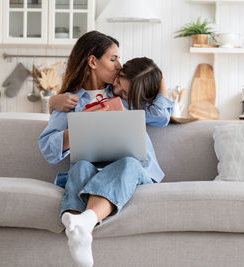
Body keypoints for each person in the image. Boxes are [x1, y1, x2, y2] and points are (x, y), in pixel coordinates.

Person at [39, 31, 174, 267]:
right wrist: (79, 124)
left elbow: (161, 116)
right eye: (113, 59)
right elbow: (48, 148)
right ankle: (79, 229)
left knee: (130, 162)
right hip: (91, 170)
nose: (120, 65)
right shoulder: (70, 102)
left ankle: (84, 221)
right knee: (80, 166)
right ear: (93, 62)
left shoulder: (124, 94)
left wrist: (160, 76)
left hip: (131, 171)